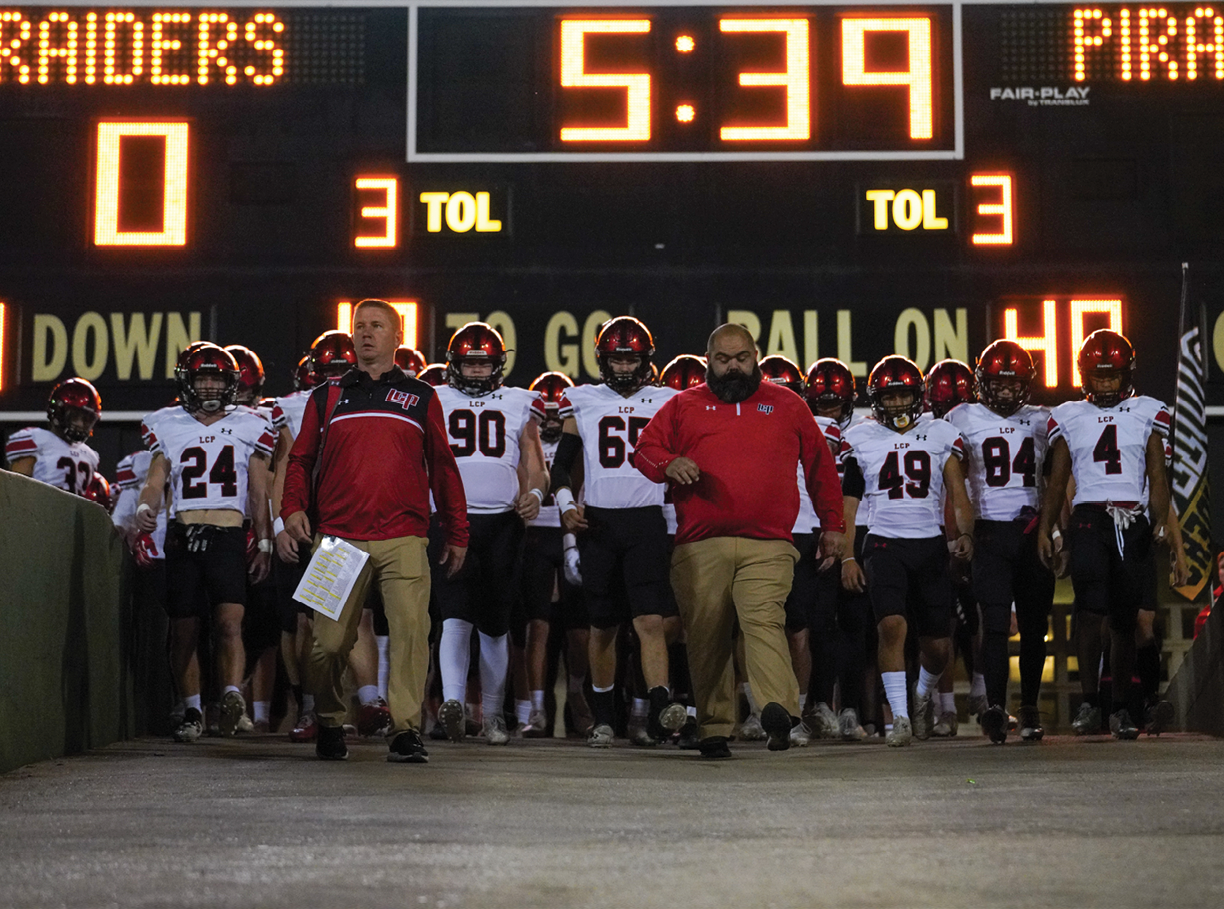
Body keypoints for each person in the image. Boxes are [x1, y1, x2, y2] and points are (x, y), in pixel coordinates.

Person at [634, 323, 846, 758]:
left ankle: (777, 711)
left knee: (763, 620)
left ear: (757, 356)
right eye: (723, 360)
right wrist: (668, 463)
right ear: (708, 360)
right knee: (707, 634)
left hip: (768, 543)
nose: (733, 368)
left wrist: (833, 526)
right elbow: (643, 448)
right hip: (699, 544)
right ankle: (714, 727)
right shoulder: (682, 405)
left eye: (741, 358)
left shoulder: (788, 404)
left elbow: (820, 466)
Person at [280, 299, 469, 763]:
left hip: (405, 535)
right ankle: (329, 719)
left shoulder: (422, 395)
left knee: (410, 633)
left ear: (397, 336)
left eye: (376, 326)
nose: (366, 333)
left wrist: (457, 530)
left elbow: (443, 467)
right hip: (337, 538)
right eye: (359, 326)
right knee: (325, 644)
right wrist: (290, 510)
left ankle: (405, 731)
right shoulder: (325, 395)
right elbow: (300, 459)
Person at [548, 316, 688, 748]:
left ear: (646, 359)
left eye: (630, 358)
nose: (624, 366)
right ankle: (606, 717)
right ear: (603, 360)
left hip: (648, 519)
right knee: (603, 626)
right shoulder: (583, 399)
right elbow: (560, 467)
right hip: (601, 523)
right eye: (617, 358)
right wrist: (567, 507)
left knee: (650, 619)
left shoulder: (669, 399)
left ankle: (659, 706)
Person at [135, 344, 275, 742]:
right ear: (188, 381)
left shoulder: (252, 424)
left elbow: (258, 491)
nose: (210, 385)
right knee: (185, 631)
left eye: (217, 378)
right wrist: (146, 507)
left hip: (229, 534)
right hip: (184, 534)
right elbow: (155, 480)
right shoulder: (168, 424)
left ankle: (231, 697)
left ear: (232, 384)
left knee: (230, 623)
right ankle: (193, 710)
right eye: (203, 377)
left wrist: (263, 541)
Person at [1039, 329, 1173, 740]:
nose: (1106, 384)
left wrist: (1161, 520)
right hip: (1088, 520)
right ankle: (1089, 700)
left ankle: (1119, 706)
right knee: (1090, 611)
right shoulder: (1068, 415)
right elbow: (1058, 482)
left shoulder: (1148, 412)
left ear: (1127, 375)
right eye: (1099, 377)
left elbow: (1156, 472)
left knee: (1125, 619)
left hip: (1131, 519)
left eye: (1112, 377)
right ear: (1084, 376)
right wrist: (1047, 529)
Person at [840, 355, 974, 747]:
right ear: (877, 399)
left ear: (918, 396)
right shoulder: (862, 438)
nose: (898, 404)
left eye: (904, 396)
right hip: (883, 543)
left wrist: (964, 533)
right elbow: (848, 507)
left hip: (929, 544)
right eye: (890, 397)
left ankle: (919, 697)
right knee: (891, 626)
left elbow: (959, 493)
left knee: (938, 645)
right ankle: (899, 717)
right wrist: (848, 556)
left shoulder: (940, 432)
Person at [432, 321, 549, 746]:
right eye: (470, 364)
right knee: (454, 616)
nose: (477, 372)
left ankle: (494, 713)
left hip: (502, 522)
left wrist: (535, 492)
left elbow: (535, 462)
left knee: (495, 626)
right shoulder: (435, 399)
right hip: (450, 520)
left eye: (484, 365)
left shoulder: (520, 402)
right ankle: (454, 704)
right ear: (454, 365)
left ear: (498, 366)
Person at [945, 341, 1055, 743]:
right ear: (982, 383)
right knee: (992, 623)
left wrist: (1055, 530)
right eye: (998, 384)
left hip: (1030, 531)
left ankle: (1028, 707)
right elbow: (953, 482)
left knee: (1032, 626)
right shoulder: (961, 417)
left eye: (1013, 385)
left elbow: (1057, 480)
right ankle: (994, 706)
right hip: (988, 531)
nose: (1006, 392)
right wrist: (960, 532)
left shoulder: (1044, 419)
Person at [518, 371, 592, 737]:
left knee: (580, 633)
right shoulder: (525, 435)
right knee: (538, 626)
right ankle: (535, 707)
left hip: (572, 533)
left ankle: (577, 691)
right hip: (534, 539)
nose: (549, 420)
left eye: (555, 414)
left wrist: (572, 541)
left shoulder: (578, 440)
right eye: (543, 413)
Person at [5, 378, 101, 493]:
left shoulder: (90, 456)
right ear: (59, 411)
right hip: (38, 509)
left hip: (71, 510)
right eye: (75, 416)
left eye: (86, 420)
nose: (80, 424)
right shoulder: (37, 440)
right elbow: (15, 491)